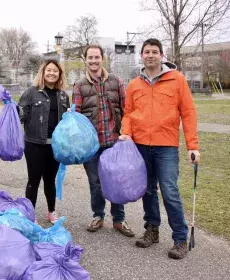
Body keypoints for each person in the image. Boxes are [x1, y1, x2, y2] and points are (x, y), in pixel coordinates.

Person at [119, 38, 200, 259]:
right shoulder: (134, 84)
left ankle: (180, 238)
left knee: (169, 192)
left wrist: (193, 145)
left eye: (155, 51)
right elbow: (128, 113)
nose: (151, 55)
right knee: (147, 190)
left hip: (166, 147)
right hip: (141, 146)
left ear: (162, 55)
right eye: (147, 52)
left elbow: (189, 113)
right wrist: (126, 132)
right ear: (142, 56)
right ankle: (152, 230)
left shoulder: (177, 80)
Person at [72, 45, 135, 237]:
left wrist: (127, 132)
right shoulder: (79, 85)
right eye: (90, 58)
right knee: (95, 183)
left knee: (117, 181)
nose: (93, 61)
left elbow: (127, 110)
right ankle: (98, 215)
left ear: (102, 58)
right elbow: (76, 117)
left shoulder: (116, 82)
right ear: (86, 60)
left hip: (114, 142)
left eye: (96, 57)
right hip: (92, 146)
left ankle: (119, 219)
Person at [18, 59, 70, 224]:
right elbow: (22, 114)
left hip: (54, 145)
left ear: (59, 74)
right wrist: (12, 108)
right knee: (33, 180)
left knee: (50, 180)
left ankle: (51, 212)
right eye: (49, 70)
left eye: (55, 71)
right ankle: (30, 215)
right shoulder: (31, 92)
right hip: (34, 143)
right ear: (43, 72)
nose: (52, 73)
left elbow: (66, 120)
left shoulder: (63, 95)